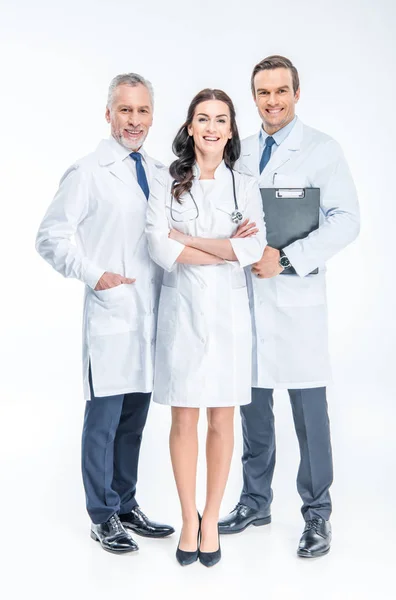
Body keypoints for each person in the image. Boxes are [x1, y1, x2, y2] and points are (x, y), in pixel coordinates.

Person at [219, 55, 360, 558]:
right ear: (253, 98)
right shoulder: (241, 152)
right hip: (250, 298)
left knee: (309, 413)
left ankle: (317, 512)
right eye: (263, 93)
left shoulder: (322, 149)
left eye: (281, 91)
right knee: (252, 406)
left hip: (298, 298)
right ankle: (255, 500)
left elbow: (347, 220)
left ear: (297, 93)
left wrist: (291, 258)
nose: (272, 101)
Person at [36, 73, 174, 554]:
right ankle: (101, 514)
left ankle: (126, 503)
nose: (133, 121)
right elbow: (50, 238)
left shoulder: (159, 172)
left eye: (142, 111)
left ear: (152, 116)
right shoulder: (87, 171)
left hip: (150, 318)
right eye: (125, 110)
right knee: (104, 420)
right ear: (109, 114)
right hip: (112, 315)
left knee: (134, 420)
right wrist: (96, 277)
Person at [145, 88, 266, 567]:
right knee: (183, 419)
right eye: (203, 118)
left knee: (222, 418)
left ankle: (211, 516)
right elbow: (159, 249)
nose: (212, 127)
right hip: (183, 314)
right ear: (190, 127)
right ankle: (187, 519)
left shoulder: (246, 185)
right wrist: (223, 249)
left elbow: (252, 252)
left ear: (231, 129)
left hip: (229, 318)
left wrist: (189, 240)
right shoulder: (166, 181)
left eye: (221, 119)